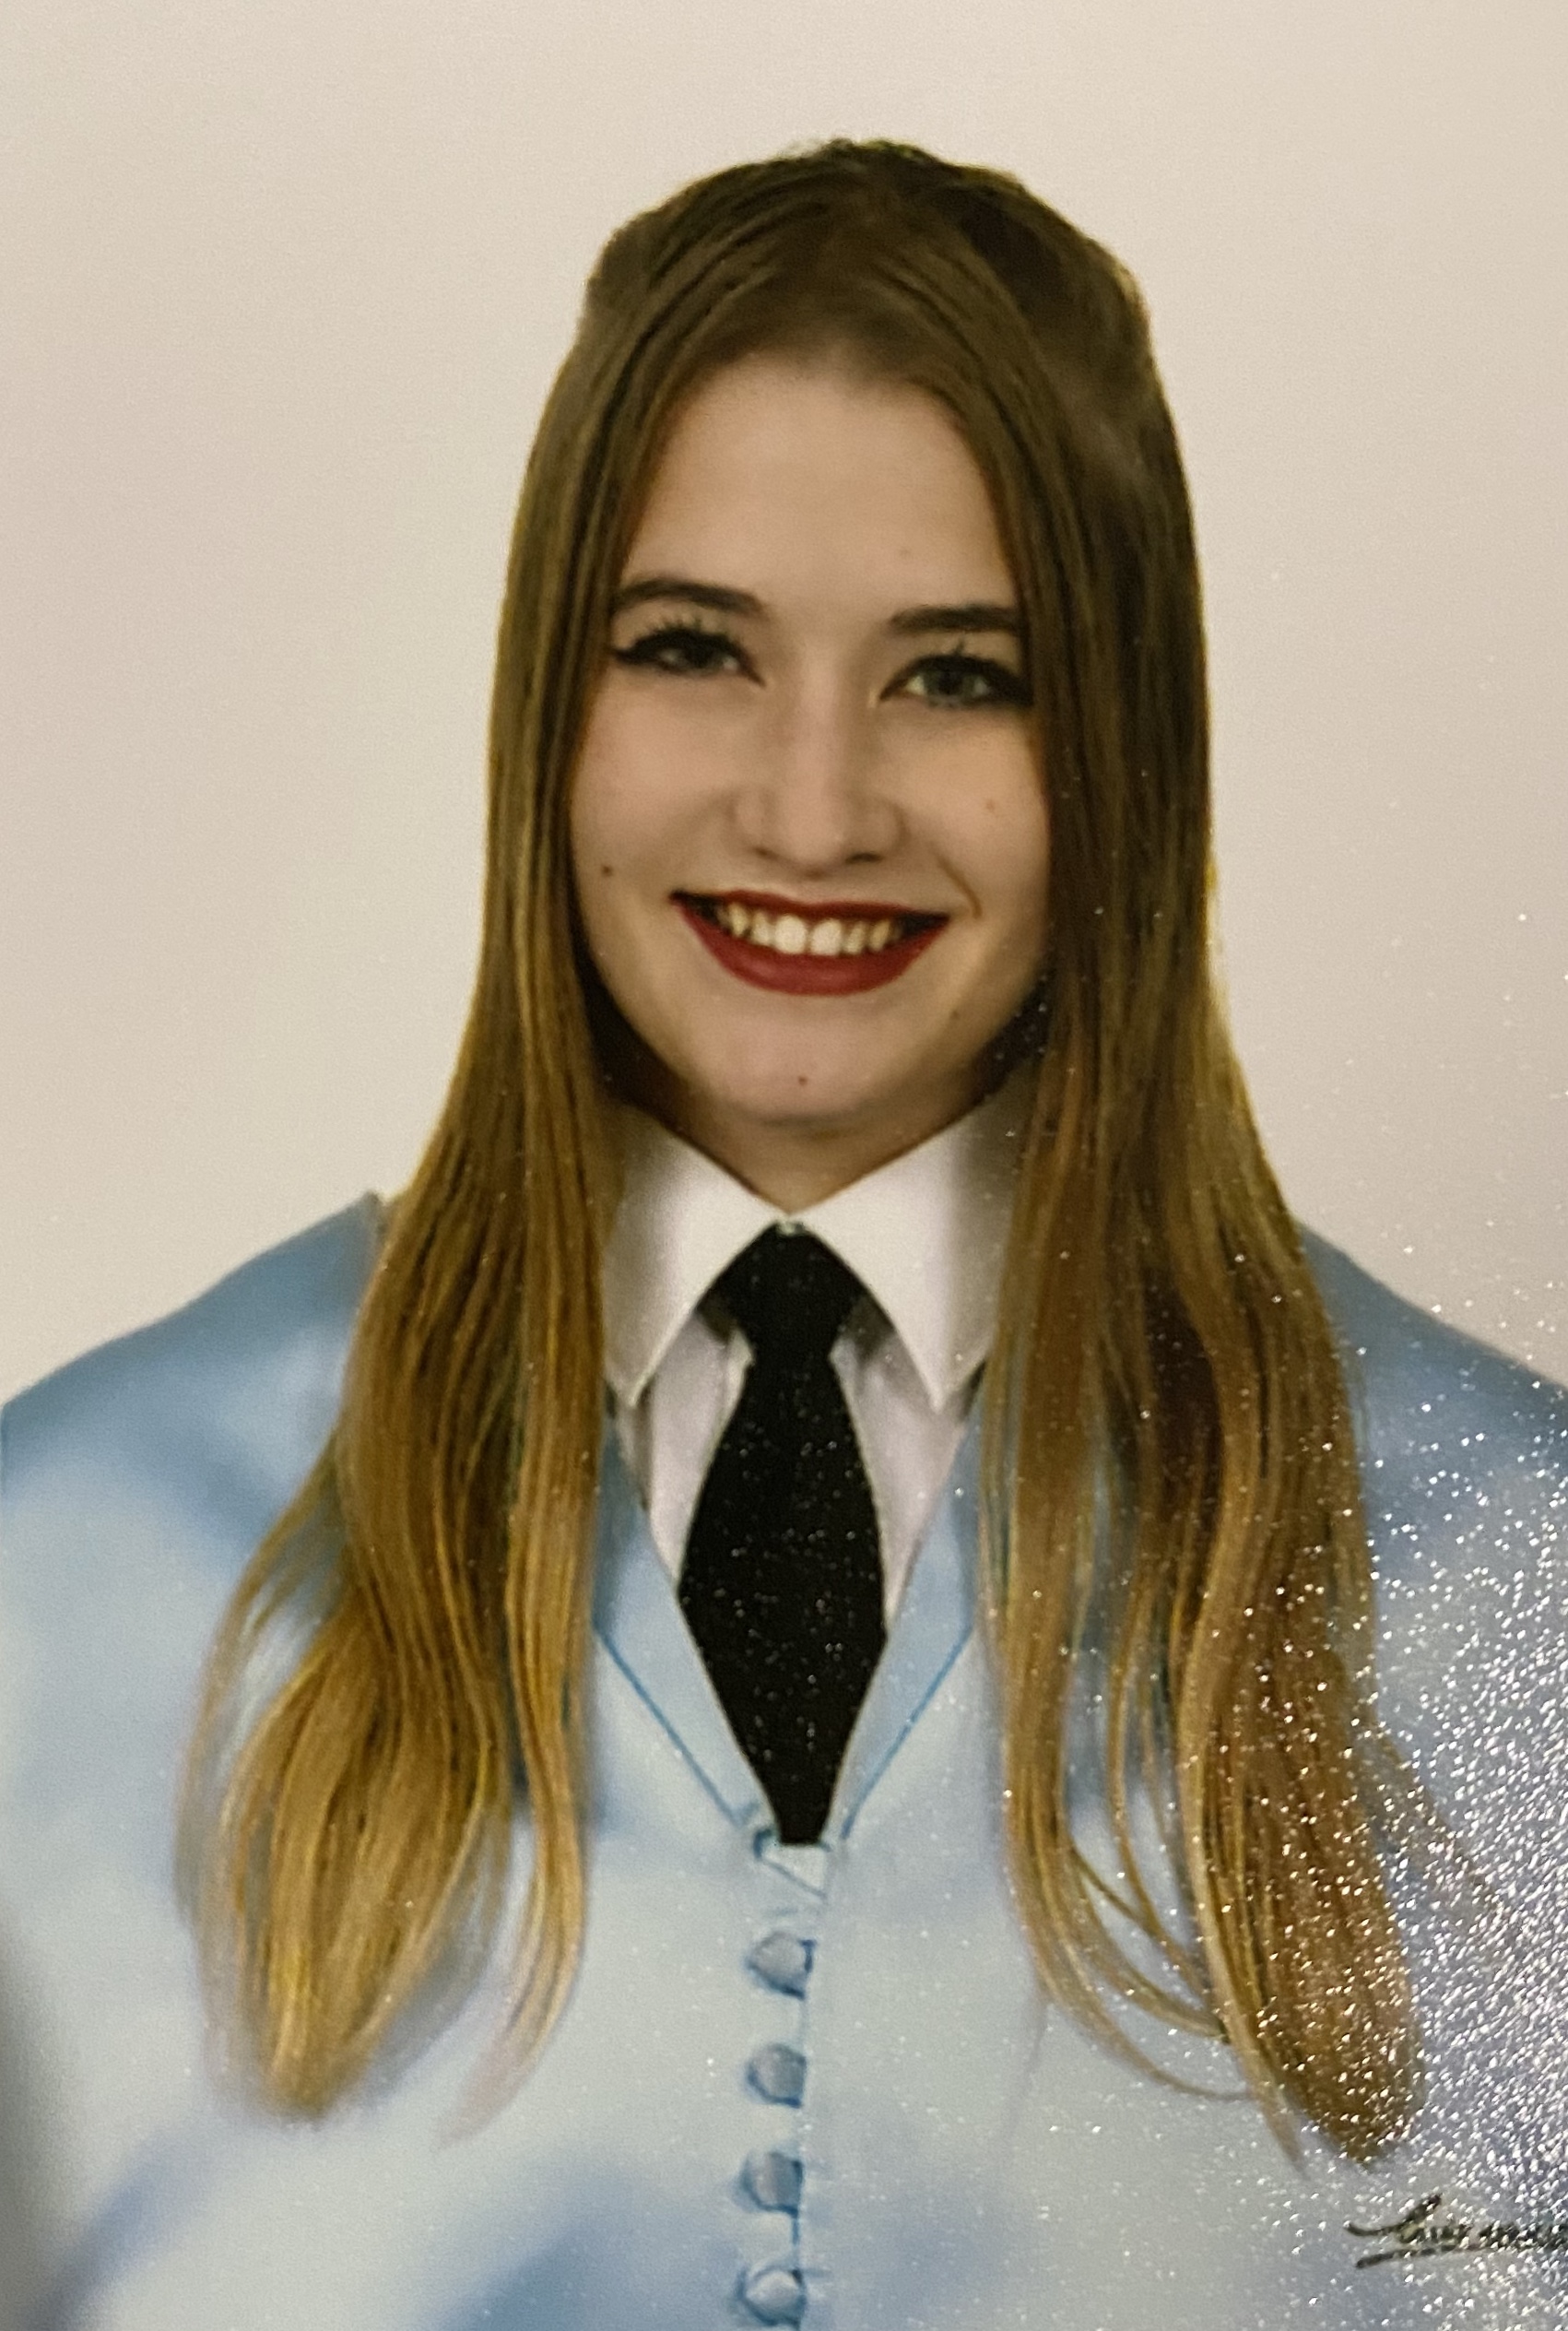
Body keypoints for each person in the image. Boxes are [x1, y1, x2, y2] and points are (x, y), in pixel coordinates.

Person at [2, 139, 1566, 2331]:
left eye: (959, 676)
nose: (812, 807)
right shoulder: (57, 1566)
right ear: (547, 712)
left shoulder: (1517, 1580)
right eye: (690, 649)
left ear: (1120, 751)